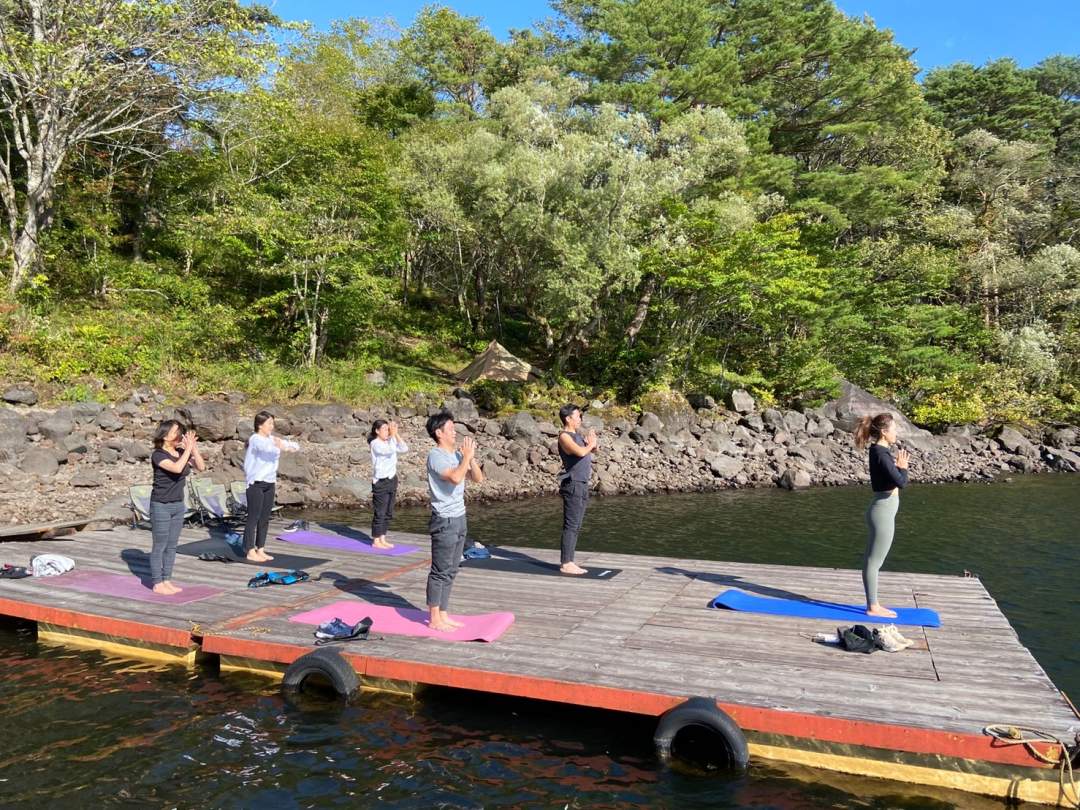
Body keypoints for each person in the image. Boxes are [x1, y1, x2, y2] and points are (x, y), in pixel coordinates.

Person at [425, 410, 483, 632]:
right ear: (439, 433)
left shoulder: (458, 455)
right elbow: (456, 477)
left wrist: (471, 457)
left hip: (460, 517)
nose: (454, 432)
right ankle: (434, 617)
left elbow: (477, 479)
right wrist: (466, 458)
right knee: (440, 569)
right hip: (444, 520)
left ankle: (443, 613)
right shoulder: (436, 456)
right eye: (450, 429)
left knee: (452, 568)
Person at [854, 412, 911, 618]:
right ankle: (873, 606)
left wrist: (898, 467)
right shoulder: (880, 453)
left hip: (882, 509)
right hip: (882, 512)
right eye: (894, 429)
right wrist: (903, 468)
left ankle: (873, 603)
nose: (896, 432)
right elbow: (901, 482)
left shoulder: (879, 451)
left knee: (872, 561)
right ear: (885, 432)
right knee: (874, 562)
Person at [149, 419, 205, 594]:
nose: (179, 435)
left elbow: (201, 467)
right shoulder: (158, 455)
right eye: (176, 432)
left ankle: (167, 580)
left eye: (180, 432)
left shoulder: (181, 451)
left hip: (178, 504)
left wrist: (193, 447)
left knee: (172, 545)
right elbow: (176, 468)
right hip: (161, 505)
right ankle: (158, 583)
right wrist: (187, 450)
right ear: (165, 436)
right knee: (160, 545)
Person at [243, 411, 299, 563]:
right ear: (260, 425)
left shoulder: (273, 439)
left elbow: (295, 446)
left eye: (272, 423)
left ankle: (260, 548)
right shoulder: (255, 439)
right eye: (269, 423)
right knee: (253, 517)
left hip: (269, 482)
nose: (272, 426)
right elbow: (266, 448)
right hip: (256, 483)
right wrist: (279, 446)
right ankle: (249, 550)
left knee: (265, 518)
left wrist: (286, 445)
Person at [556, 404, 598, 575]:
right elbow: (580, 453)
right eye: (578, 416)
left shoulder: (577, 435)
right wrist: (589, 446)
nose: (580, 419)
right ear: (568, 418)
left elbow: (588, 451)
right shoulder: (564, 436)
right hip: (572, 484)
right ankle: (566, 562)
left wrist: (593, 445)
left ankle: (570, 560)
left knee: (577, 525)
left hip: (582, 484)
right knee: (571, 524)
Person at [368, 418, 408, 549]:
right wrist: (393, 436)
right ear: (377, 431)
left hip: (392, 479)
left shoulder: (390, 441)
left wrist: (395, 434)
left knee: (388, 512)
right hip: (381, 481)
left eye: (387, 428)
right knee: (380, 512)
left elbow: (404, 448)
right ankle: (376, 540)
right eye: (384, 429)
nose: (387, 431)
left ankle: (383, 538)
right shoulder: (375, 443)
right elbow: (388, 451)